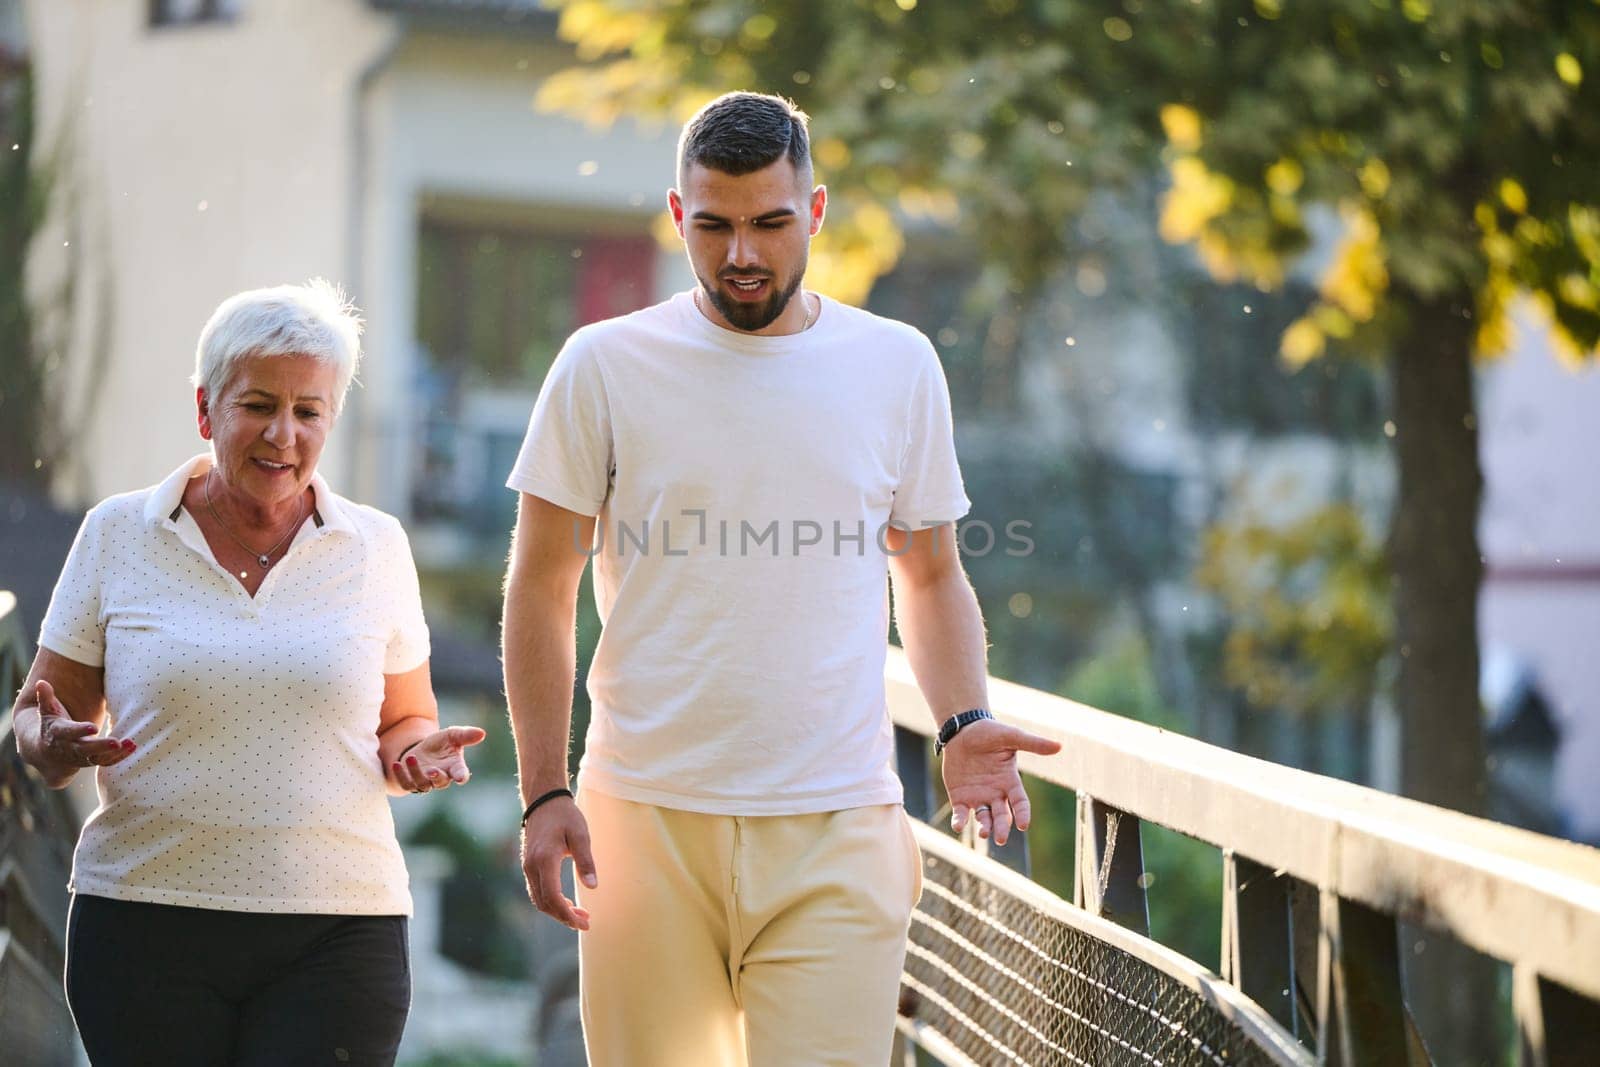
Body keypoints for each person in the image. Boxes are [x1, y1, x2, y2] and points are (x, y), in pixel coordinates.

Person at [501, 91, 1062, 1067]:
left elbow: (928, 579)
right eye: (713, 226)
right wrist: (544, 789)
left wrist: (965, 722)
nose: (742, 254)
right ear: (678, 216)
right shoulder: (601, 365)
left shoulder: (896, 365)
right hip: (641, 825)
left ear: (816, 211)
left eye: (769, 222)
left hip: (836, 827)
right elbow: (542, 587)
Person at [12, 280, 485, 1067]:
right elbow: (39, 713)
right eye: (258, 404)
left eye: (309, 410)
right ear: (206, 410)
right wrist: (52, 739)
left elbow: (405, 721)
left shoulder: (377, 547)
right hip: (143, 922)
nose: (284, 433)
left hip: (340, 930)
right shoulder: (118, 533)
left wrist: (417, 752)